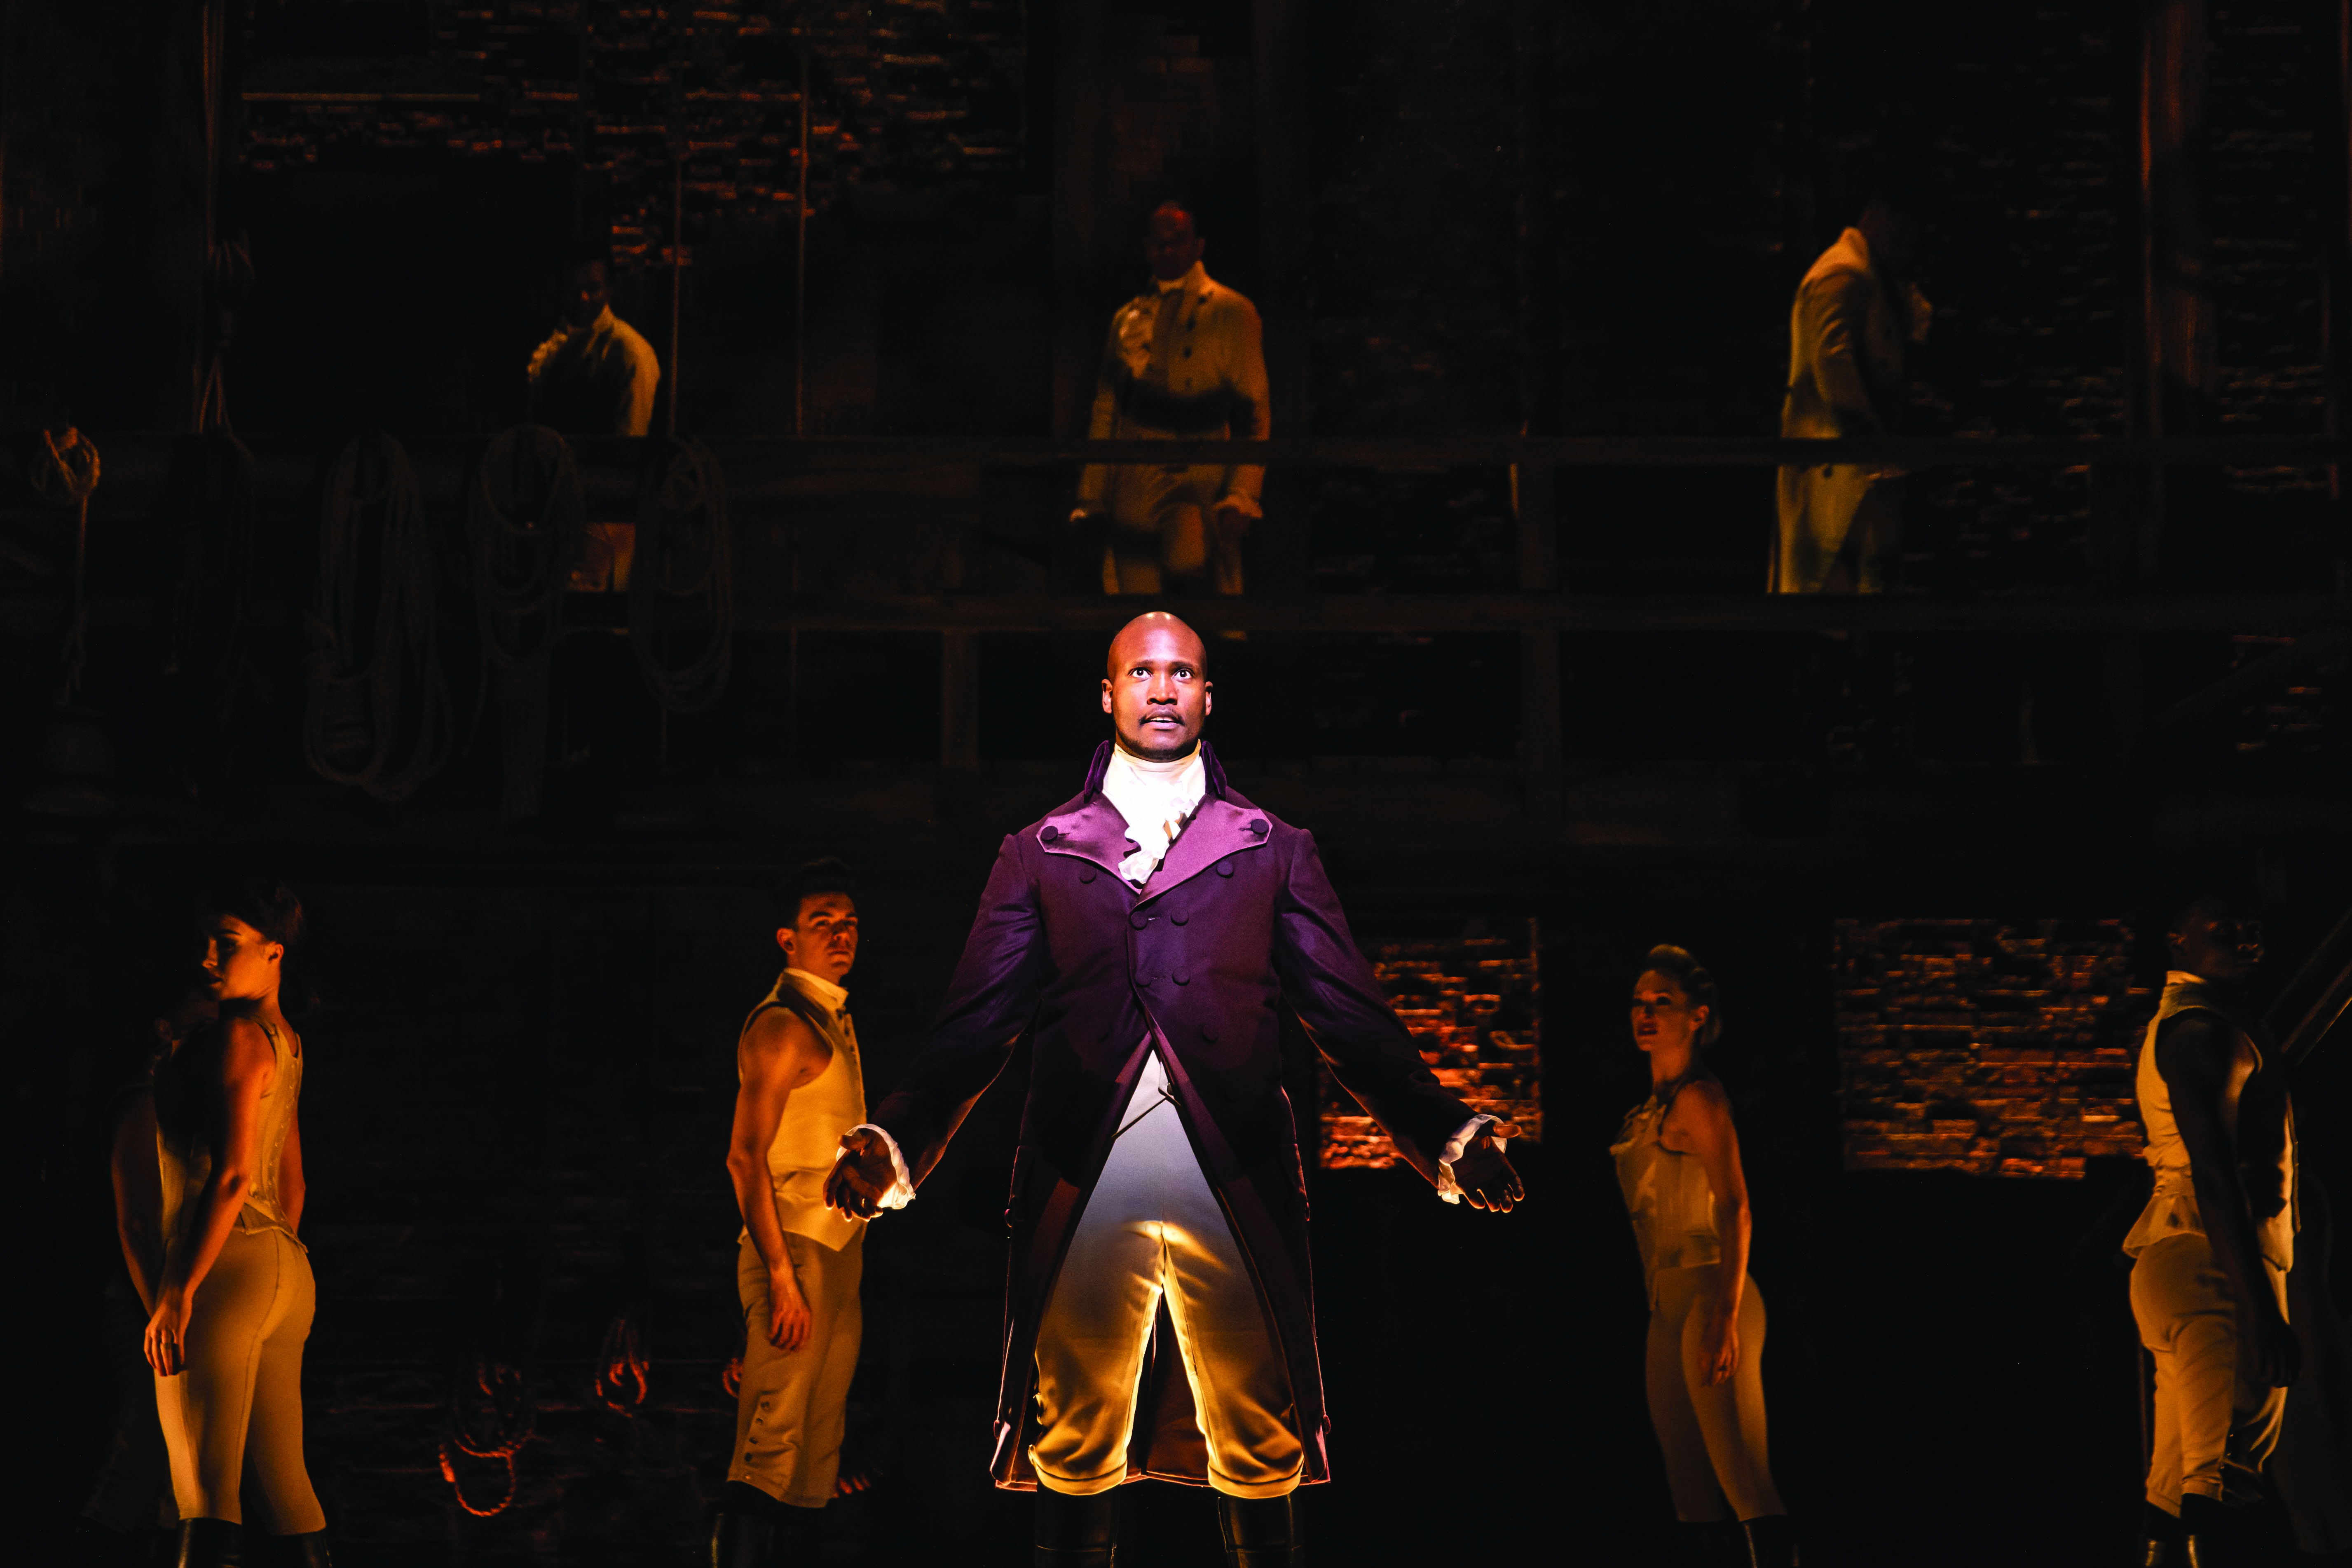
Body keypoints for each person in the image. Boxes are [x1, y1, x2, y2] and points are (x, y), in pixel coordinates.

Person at [824, 611, 1522, 1568]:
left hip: (1228, 1163)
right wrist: (895, 1137)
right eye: (1142, 672)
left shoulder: (1272, 845)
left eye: (1182, 672)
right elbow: (977, 1020)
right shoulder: (1040, 850)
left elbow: (1348, 1016)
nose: (1162, 687)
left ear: (1205, 696)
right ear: (1107, 694)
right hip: (1085, 1165)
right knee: (1073, 1435)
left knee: (1259, 1430)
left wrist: (1444, 1130)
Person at [146, 881, 329, 1568]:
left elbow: (229, 1175)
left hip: (226, 1264)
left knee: (204, 1490)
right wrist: (277, 1267)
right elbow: (293, 1180)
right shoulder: (289, 1043)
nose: (208, 959)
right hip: (285, 1267)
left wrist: (178, 1290)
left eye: (227, 944)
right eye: (207, 944)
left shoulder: (235, 1038)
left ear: (275, 952)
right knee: (287, 1491)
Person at [2126, 894, 2300, 1568]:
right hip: (2212, 1263)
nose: (2243, 940)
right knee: (2223, 1477)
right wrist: (2257, 1308)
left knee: (2173, 1489)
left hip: (2182, 1259)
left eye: (2252, 929)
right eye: (2221, 931)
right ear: (2177, 944)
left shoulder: (2199, 1024)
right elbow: (2215, 1175)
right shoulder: (2203, 1033)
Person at [1609, 947, 1792, 1568]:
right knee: (1689, 1491)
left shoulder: (1699, 1099)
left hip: (1715, 1292)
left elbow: (1736, 1205)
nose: (1647, 1013)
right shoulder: (1649, 1110)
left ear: (1697, 1017)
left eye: (1663, 1002)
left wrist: (1723, 1314)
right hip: (1666, 1306)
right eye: (1640, 1002)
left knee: (1743, 1478)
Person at [712, 859, 871, 1568]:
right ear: (787, 938)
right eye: (821, 924)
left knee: (816, 1454)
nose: (840, 936)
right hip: (796, 1250)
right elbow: (744, 1159)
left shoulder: (833, 1019)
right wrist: (779, 1276)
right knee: (769, 1445)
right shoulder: (782, 1027)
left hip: (839, 1253)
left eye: (848, 924)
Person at [71, 974, 213, 1565]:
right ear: (165, 1026)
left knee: (168, 1475)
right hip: (141, 1307)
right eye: (202, 1016)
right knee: (139, 1456)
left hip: (159, 1304)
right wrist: (164, 1305)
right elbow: (137, 1225)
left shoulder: (178, 1102)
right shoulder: (141, 1102)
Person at [1071, 202, 1271, 596]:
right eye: (1159, 243)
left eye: (1178, 241)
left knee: (1193, 573)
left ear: (1198, 246)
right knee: (1135, 597)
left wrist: (1242, 493)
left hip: (1199, 465)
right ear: (1147, 248)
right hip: (1134, 468)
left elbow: (1254, 408)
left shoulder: (1231, 312)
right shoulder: (1128, 318)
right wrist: (1091, 496)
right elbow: (1107, 408)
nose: (1168, 251)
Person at [1773, 190, 1930, 595]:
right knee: (1839, 591)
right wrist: (1870, 449)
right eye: (1899, 239)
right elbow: (1833, 363)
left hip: (1855, 468)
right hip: (1843, 468)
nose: (1906, 252)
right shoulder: (1844, 275)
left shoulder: (1862, 276)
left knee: (1852, 592)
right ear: (1875, 220)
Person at [2268, 1169, 2352, 1559]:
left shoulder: (2291, 1193)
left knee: (2319, 1519)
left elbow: (2308, 1301)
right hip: (2296, 1370)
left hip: (2291, 1372)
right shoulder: (2294, 1191)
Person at [526, 248, 661, 437]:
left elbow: (629, 439)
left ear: (609, 291)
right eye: (573, 288)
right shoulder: (552, 339)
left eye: (593, 289)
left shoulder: (630, 350)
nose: (583, 298)